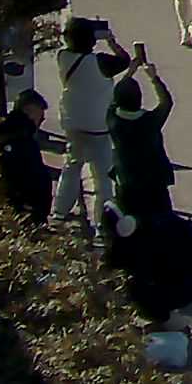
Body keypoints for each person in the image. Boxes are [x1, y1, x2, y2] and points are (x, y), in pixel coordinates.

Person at [50, 16, 127, 226]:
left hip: (73, 121)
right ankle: (102, 222)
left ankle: (59, 213)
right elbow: (124, 60)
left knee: (72, 167)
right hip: (99, 126)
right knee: (103, 177)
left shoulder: (63, 57)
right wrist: (111, 41)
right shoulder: (101, 62)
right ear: (92, 39)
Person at [108, 54, 176, 217]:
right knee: (162, 221)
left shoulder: (113, 119)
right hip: (154, 183)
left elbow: (113, 98)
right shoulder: (150, 121)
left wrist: (130, 72)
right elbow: (166, 102)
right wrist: (153, 77)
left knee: (129, 222)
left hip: (126, 180)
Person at [0, 89, 58, 219]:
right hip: (25, 212)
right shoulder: (21, 138)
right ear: (28, 111)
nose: (41, 121)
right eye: (39, 117)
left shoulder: (14, 132)